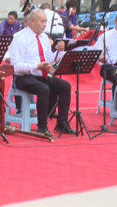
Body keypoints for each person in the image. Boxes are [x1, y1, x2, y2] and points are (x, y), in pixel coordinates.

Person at [9, 9, 76, 137]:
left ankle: (62, 123)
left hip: (41, 74)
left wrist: (59, 51)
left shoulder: (44, 37)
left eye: (45, 21)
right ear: (32, 21)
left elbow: (49, 59)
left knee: (65, 86)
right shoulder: (20, 38)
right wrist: (36, 66)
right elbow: (16, 67)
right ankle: (42, 127)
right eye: (42, 21)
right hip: (23, 77)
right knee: (44, 89)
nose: (44, 24)